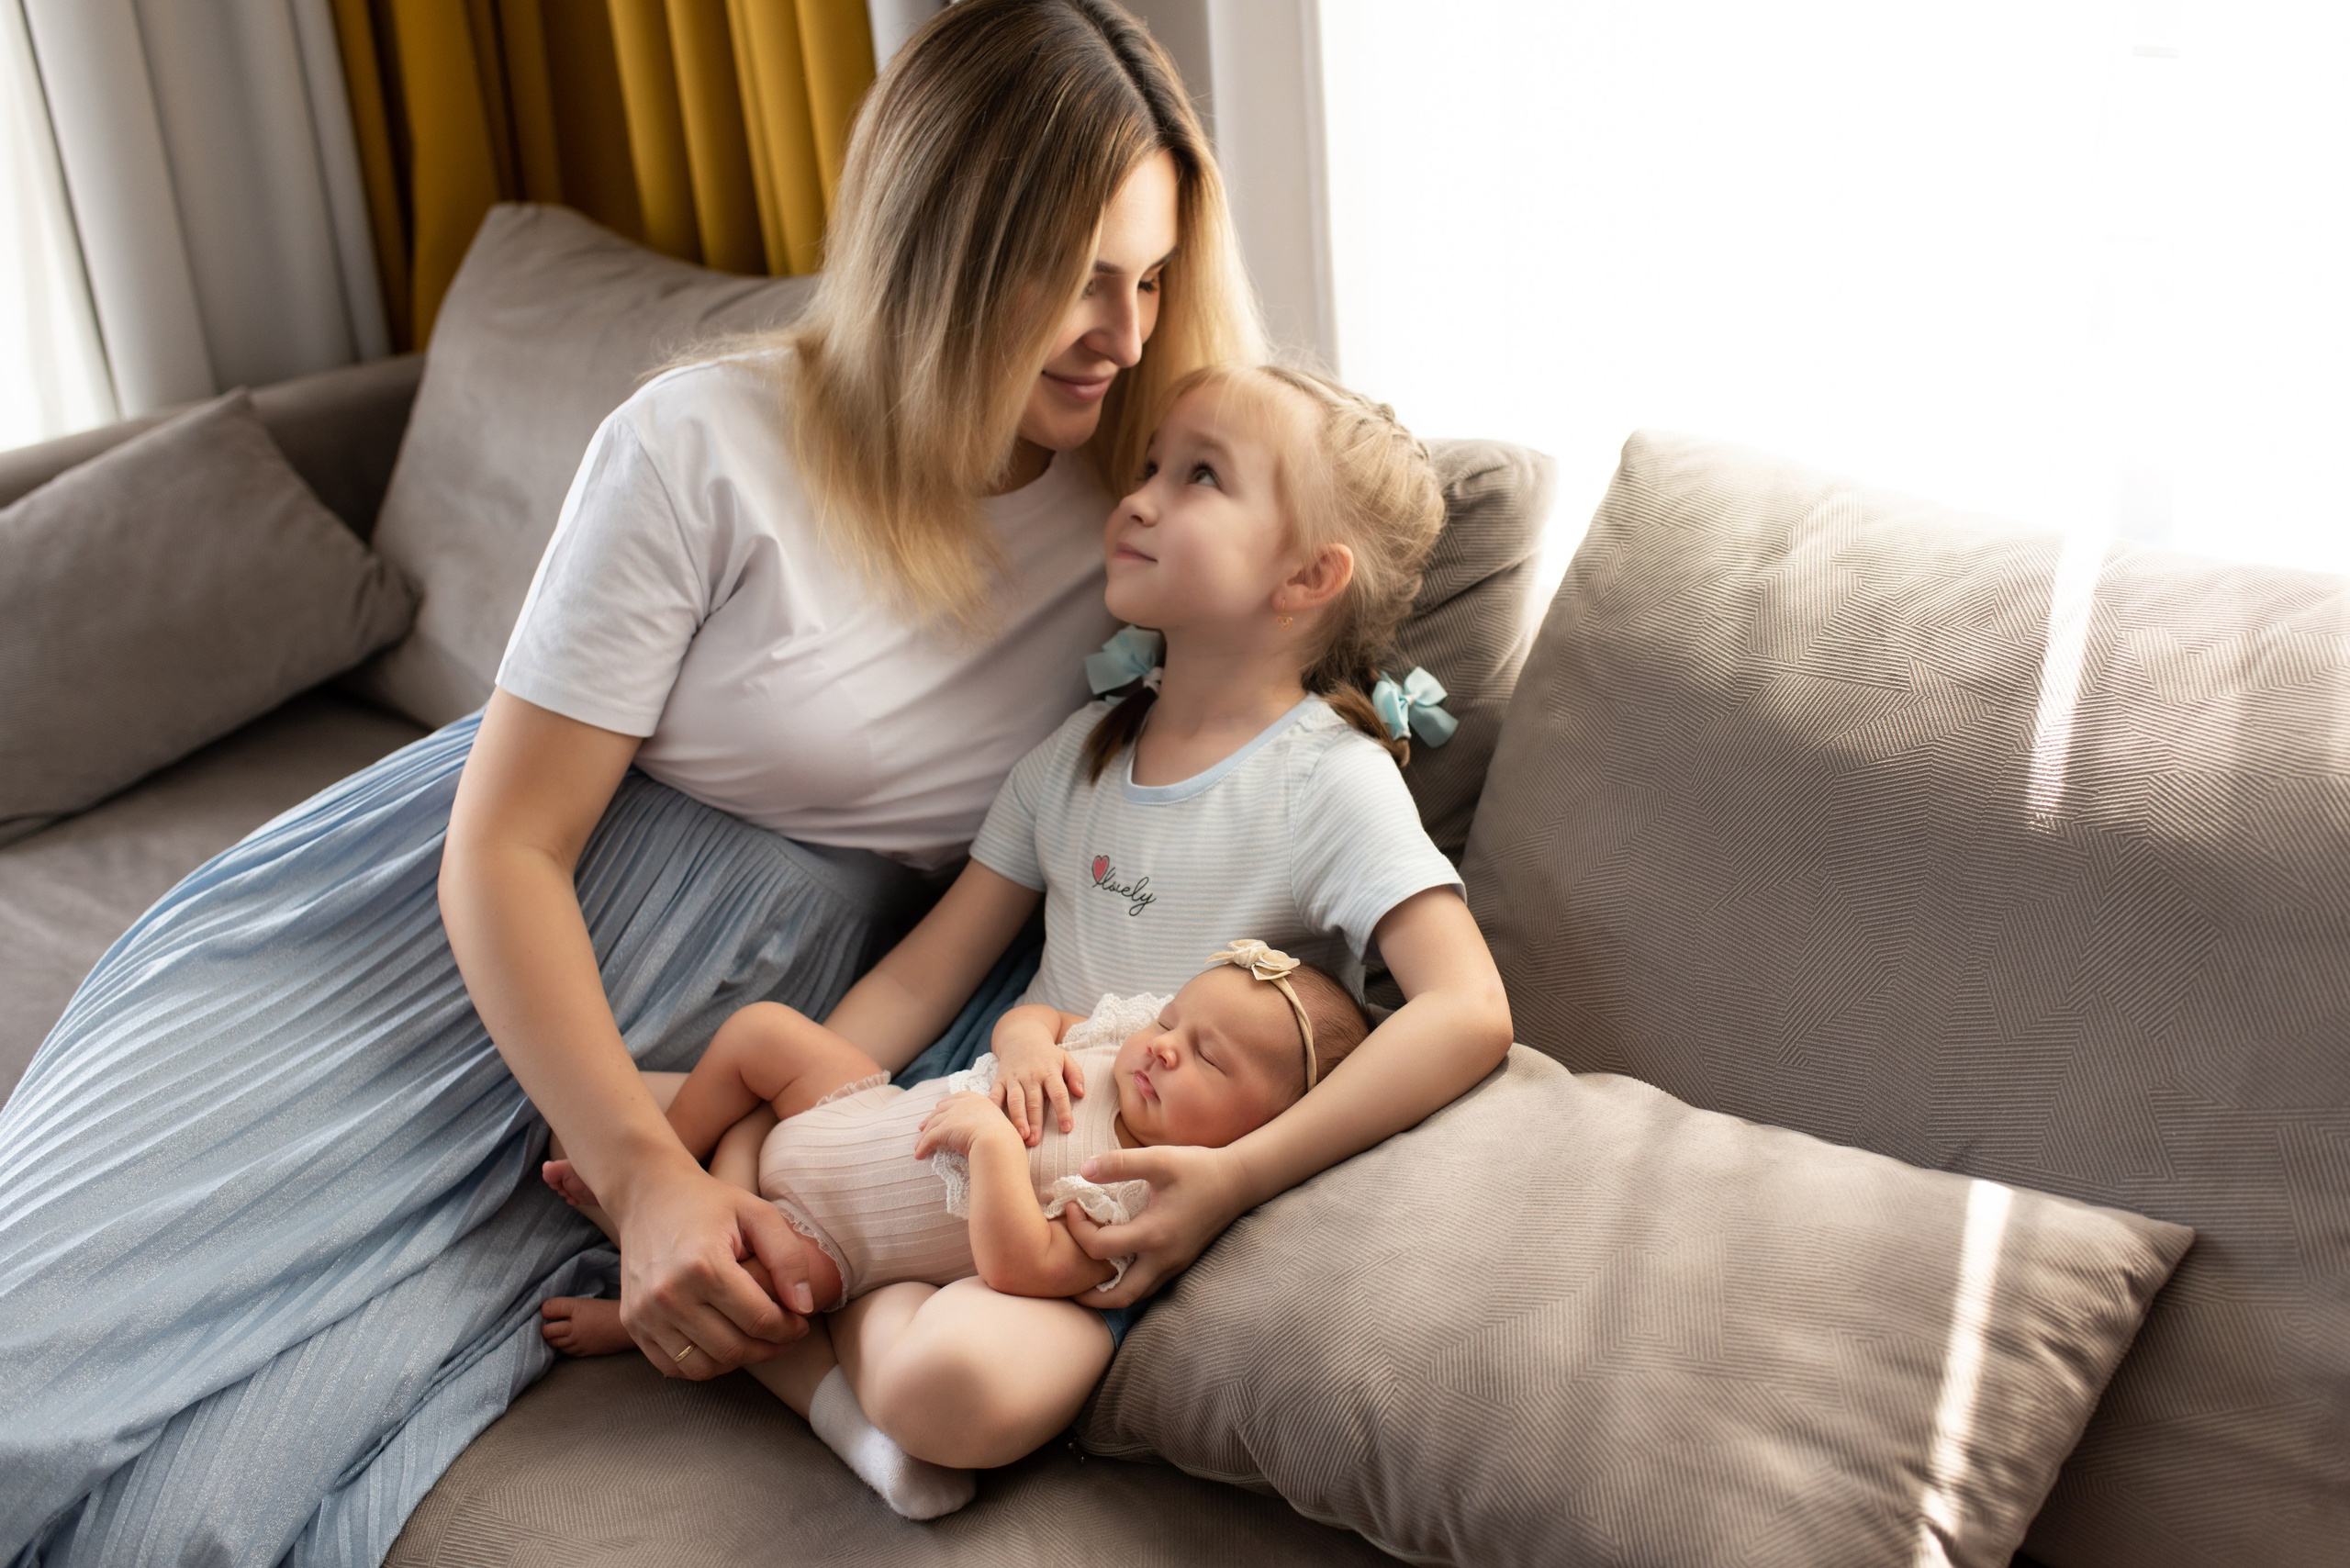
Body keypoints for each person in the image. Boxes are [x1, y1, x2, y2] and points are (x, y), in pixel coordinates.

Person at [0, 6, 1260, 1564]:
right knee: (26, 1384)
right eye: (1081, 275)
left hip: (710, 1035)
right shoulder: (705, 443)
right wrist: (646, 1176)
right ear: (942, 242)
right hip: (440, 956)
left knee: (209, 1510)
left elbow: (1275, 729)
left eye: (1150, 281)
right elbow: (507, 844)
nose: (1125, 333)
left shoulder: (1136, 540)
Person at [549, 360, 1516, 1512]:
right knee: (582, 1112)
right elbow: (924, 974)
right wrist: (801, 1120)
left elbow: (1469, 1011)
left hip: (1068, 1232)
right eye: (1151, 463)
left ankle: (813, 1345)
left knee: (950, 1391)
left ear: (1308, 576)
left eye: (1197, 475)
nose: (1140, 496)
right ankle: (777, 1262)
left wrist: (1224, 1180)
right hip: (945, 1127)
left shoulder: (1331, 783)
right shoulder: (1076, 756)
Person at [541, 946, 1371, 1517]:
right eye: (1172, 1023)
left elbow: (1024, 1268)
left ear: (1257, 1132)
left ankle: (638, 1319)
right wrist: (1019, 1051)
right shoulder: (1120, 1046)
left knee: (769, 1291)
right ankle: (676, 1166)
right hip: (861, 1108)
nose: (1162, 1051)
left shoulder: (1133, 1198)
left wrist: (994, 1149)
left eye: (1209, 1060)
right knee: (764, 1031)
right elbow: (1037, 1015)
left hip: (832, 1238)